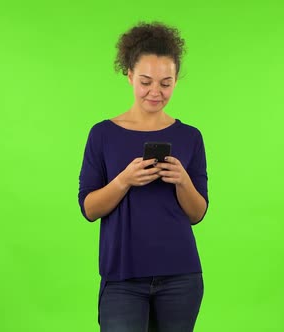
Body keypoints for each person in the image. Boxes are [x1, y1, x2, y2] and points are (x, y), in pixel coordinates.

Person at [78, 21, 209, 332]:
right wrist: (125, 180)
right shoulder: (102, 134)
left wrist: (182, 180)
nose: (156, 92)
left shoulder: (190, 137)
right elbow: (89, 209)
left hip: (181, 277)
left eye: (166, 83)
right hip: (122, 278)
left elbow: (197, 213)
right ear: (130, 76)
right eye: (146, 81)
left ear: (176, 80)